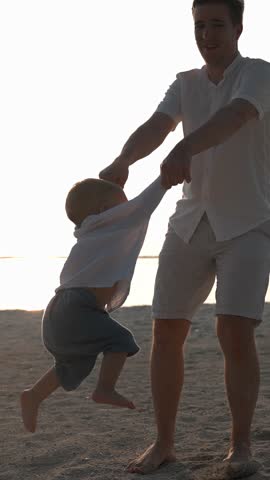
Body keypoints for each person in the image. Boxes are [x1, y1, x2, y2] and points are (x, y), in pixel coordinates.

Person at [99, 0, 270, 477]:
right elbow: (158, 125)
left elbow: (235, 117)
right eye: (200, 25)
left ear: (238, 26)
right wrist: (123, 161)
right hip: (189, 222)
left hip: (249, 223)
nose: (207, 33)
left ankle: (240, 448)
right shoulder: (184, 83)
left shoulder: (258, 74)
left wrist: (186, 146)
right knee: (166, 329)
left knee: (234, 330)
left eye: (217, 24)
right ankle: (164, 444)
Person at [20, 175, 167, 434]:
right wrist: (165, 180)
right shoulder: (109, 225)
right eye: (122, 205)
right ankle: (105, 389)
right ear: (104, 211)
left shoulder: (93, 230)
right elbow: (144, 204)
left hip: (60, 310)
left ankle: (33, 395)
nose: (127, 210)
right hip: (77, 307)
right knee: (120, 340)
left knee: (72, 364)